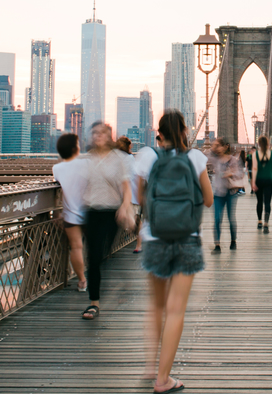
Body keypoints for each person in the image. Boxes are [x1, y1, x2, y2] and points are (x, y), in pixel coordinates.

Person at [135, 111, 213, 393]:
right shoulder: (195, 158)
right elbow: (207, 200)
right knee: (175, 310)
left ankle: (149, 367)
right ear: (183, 130)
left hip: (154, 238)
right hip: (187, 239)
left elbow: (140, 197)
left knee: (156, 306)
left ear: (159, 133)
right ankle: (163, 379)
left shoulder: (147, 156)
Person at [81, 122, 136, 320]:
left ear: (109, 136)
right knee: (93, 257)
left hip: (111, 213)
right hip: (90, 211)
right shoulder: (86, 159)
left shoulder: (118, 160)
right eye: (94, 133)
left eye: (102, 133)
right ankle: (93, 303)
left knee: (101, 253)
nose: (97, 136)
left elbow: (126, 187)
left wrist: (124, 206)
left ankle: (98, 285)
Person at [52, 133, 89, 292]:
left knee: (76, 247)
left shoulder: (56, 168)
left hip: (70, 213)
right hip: (91, 211)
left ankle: (82, 281)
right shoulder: (86, 163)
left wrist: (57, 212)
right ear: (75, 148)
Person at [210, 138, 241, 253]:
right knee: (217, 219)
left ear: (225, 146)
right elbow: (204, 157)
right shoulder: (215, 159)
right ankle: (217, 245)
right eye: (215, 146)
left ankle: (233, 241)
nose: (216, 148)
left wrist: (230, 173)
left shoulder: (233, 160)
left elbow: (239, 174)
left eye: (218, 145)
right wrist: (212, 148)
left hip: (230, 193)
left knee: (230, 218)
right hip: (218, 193)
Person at [116, 137, 144, 254]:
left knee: (134, 220)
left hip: (129, 194)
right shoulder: (127, 158)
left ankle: (137, 242)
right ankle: (130, 237)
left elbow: (131, 176)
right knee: (131, 218)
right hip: (127, 194)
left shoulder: (127, 159)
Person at [251, 136, 272, 234]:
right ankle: (266, 223)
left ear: (258, 144)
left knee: (259, 201)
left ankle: (259, 221)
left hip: (258, 180)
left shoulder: (255, 154)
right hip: (268, 181)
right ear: (268, 144)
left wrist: (253, 182)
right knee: (267, 202)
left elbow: (254, 169)